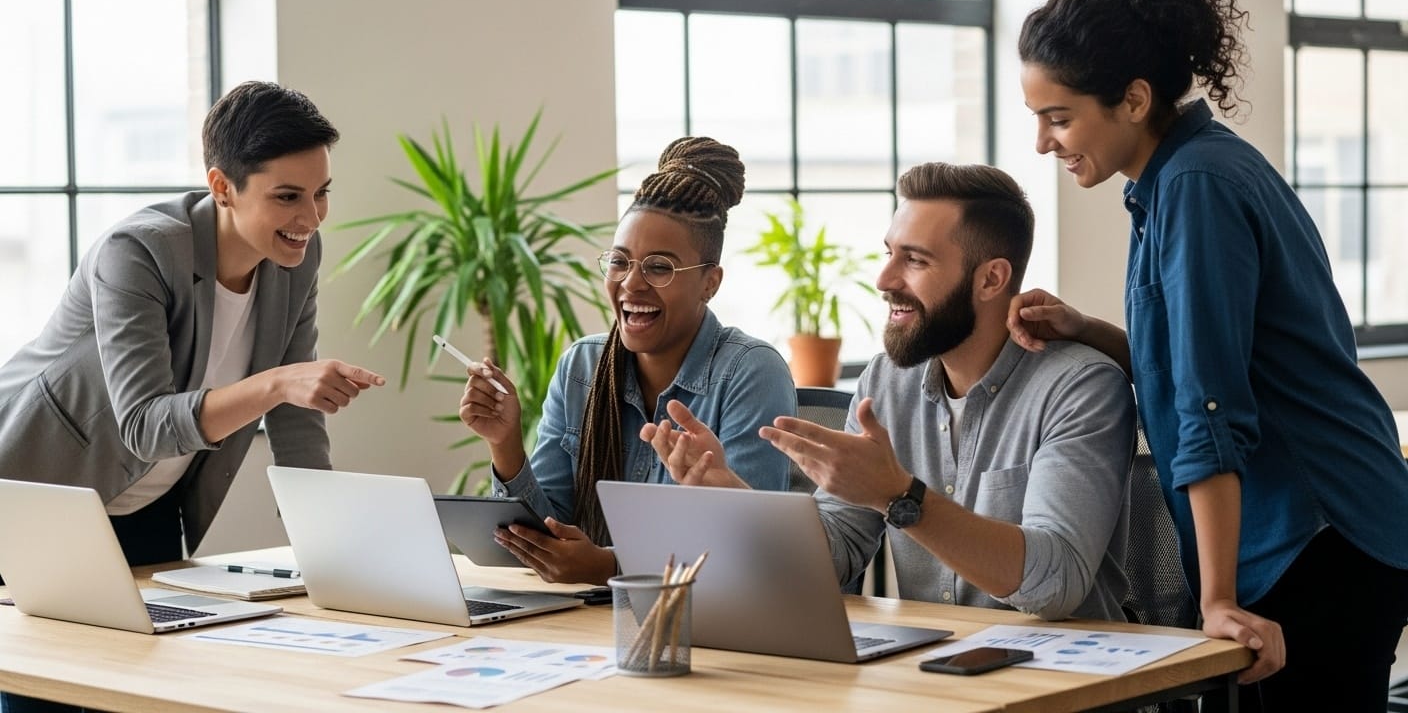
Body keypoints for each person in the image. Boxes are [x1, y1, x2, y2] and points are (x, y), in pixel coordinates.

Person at [1010, 0, 1408, 709]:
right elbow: (1203, 362)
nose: (1044, 143)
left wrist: (1218, 601)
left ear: (1132, 98)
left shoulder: (1195, 188)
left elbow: (1211, 405)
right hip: (1326, 529)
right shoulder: (1180, 176)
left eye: (1058, 118)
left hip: (1320, 536)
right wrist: (1089, 329)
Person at [0, 81, 384, 712]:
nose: (311, 219)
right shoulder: (140, 252)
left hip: (148, 508)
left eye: (321, 195)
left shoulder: (295, 260)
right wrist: (280, 382)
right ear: (222, 186)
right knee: (51, 696)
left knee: (146, 693)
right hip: (44, 498)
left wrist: (331, 547)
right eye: (288, 197)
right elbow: (146, 425)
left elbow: (295, 417)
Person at [665, 162, 1137, 622]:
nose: (885, 280)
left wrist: (899, 496)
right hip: (932, 675)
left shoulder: (1080, 387)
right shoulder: (887, 381)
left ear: (990, 279)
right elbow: (837, 553)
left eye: (914, 260)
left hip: (1066, 682)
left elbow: (1056, 585)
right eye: (889, 253)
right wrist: (736, 502)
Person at [458, 136, 794, 586]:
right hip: (584, 626)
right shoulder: (582, 366)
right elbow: (548, 535)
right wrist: (505, 445)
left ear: (710, 283)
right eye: (620, 262)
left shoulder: (751, 373)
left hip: (703, 625)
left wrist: (611, 566)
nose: (631, 284)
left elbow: (755, 550)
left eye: (659, 268)